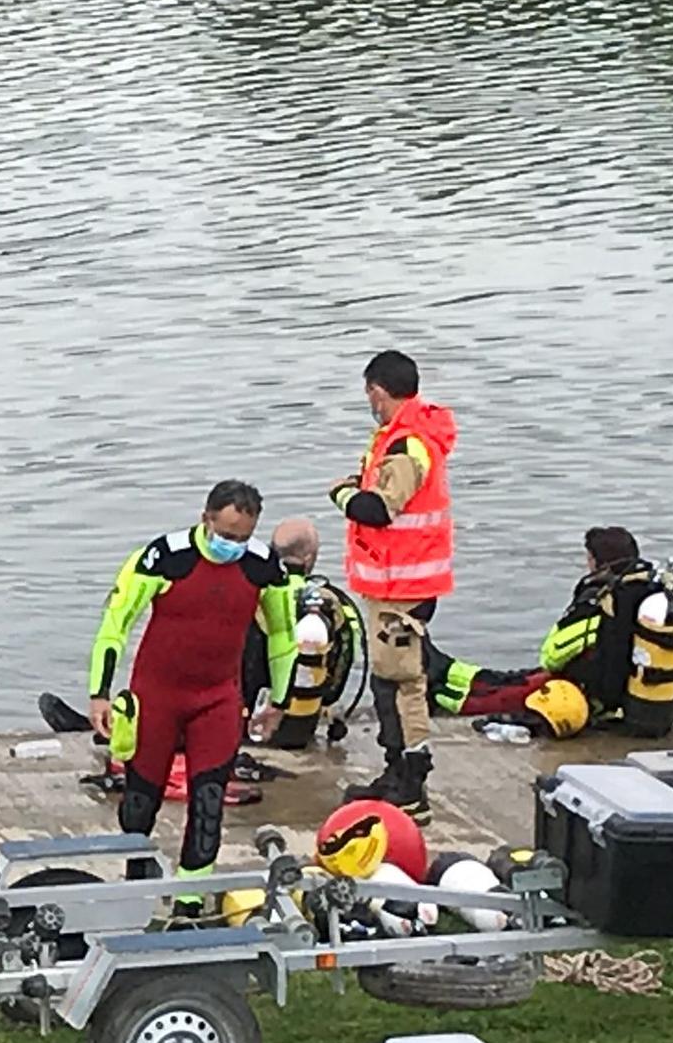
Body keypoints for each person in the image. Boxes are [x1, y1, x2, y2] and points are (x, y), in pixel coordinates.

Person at [88, 480, 296, 909]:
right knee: (141, 803)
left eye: (243, 537)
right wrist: (100, 693)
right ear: (206, 519)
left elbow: (283, 636)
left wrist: (279, 701)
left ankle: (188, 905)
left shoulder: (262, 566)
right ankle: (135, 887)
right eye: (226, 535)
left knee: (208, 804)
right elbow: (116, 624)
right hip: (156, 697)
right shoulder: (164, 557)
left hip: (217, 699)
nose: (233, 546)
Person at [331, 349, 458, 825]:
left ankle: (410, 786)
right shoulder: (404, 437)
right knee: (390, 681)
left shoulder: (408, 446)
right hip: (398, 582)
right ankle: (395, 774)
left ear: (378, 391)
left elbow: (381, 508)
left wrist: (342, 494)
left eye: (370, 394)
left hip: (404, 585)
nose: (370, 402)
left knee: (402, 684)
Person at [424, 526, 673, 736]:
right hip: (647, 699)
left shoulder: (604, 598)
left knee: (510, 689)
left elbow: (552, 655)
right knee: (509, 679)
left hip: (589, 698)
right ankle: (444, 669)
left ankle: (440, 689)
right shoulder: (663, 592)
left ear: (597, 562)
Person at [241, 517, 360, 753]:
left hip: (254, 726)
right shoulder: (336, 603)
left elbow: (244, 664)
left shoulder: (255, 596)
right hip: (303, 727)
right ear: (309, 559)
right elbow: (344, 664)